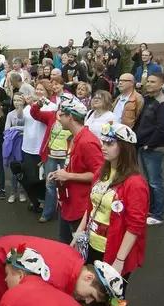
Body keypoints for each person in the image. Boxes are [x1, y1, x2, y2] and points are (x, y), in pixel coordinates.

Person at [73, 122, 148, 306]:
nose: (103, 147)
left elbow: (135, 226)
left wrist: (118, 261)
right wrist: (79, 232)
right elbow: (91, 205)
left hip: (116, 252)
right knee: (96, 297)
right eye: (103, 141)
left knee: (116, 300)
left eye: (110, 143)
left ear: (124, 148)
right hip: (95, 246)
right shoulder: (102, 172)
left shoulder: (135, 183)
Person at [51, 99, 104, 244]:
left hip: (80, 206)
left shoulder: (87, 142)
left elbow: (100, 175)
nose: (58, 118)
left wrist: (68, 175)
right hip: (68, 203)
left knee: (76, 248)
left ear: (70, 117)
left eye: (61, 115)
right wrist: (61, 174)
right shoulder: (75, 138)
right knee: (64, 244)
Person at [134, 73, 164, 226]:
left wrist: (149, 144)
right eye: (148, 81)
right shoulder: (148, 99)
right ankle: (151, 209)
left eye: (153, 82)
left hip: (153, 148)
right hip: (143, 145)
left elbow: (163, 128)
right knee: (149, 180)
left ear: (162, 84)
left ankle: (158, 214)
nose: (149, 84)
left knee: (156, 182)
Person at [26, 83, 63, 223]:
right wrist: (37, 105)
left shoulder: (74, 119)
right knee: (50, 184)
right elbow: (35, 114)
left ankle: (66, 213)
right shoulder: (52, 116)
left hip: (66, 158)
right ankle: (47, 213)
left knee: (66, 185)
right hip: (51, 156)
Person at [21, 83, 54, 217]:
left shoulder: (52, 107)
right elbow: (20, 118)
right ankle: (37, 199)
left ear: (48, 92)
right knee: (30, 177)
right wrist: (24, 105)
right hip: (27, 145)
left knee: (41, 178)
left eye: (42, 89)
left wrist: (33, 106)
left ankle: (43, 202)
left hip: (41, 147)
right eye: (37, 89)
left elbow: (39, 117)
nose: (39, 91)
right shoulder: (30, 105)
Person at [3, 94, 28, 204]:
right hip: (13, 144)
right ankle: (13, 192)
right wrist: (19, 130)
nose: (17, 102)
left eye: (19, 100)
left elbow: (28, 128)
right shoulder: (10, 114)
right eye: (15, 100)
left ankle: (22, 191)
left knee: (23, 169)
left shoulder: (27, 113)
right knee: (14, 170)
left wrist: (16, 128)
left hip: (24, 144)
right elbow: (7, 129)